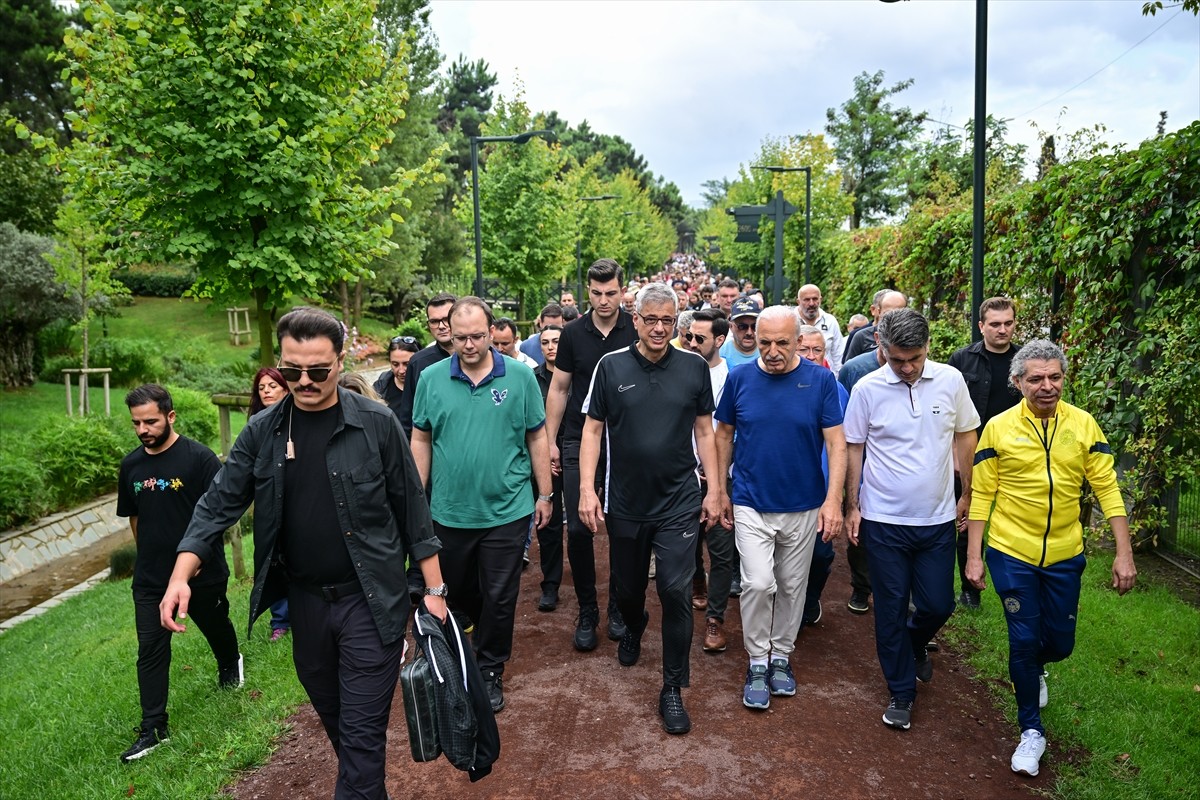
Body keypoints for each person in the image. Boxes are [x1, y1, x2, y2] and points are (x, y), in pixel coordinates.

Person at [159, 307, 447, 800]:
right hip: (306, 606)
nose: (305, 381)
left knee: (360, 737)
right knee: (342, 728)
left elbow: (413, 511)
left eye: (319, 370)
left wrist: (435, 591)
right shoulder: (262, 432)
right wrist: (181, 573)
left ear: (341, 360)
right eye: (292, 371)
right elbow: (217, 504)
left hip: (370, 603)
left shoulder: (377, 425)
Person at [966, 339, 1136, 778]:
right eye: (1036, 379)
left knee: (1059, 642)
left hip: (1065, 554)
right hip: (1011, 552)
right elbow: (982, 495)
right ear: (1018, 382)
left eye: (1055, 377)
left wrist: (1123, 552)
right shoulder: (998, 429)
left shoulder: (1083, 425)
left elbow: (1107, 489)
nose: (1047, 386)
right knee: (1022, 639)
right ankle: (1031, 732)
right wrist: (974, 558)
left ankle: (1039, 665)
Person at [578, 282, 726, 735]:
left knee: (676, 590)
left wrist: (715, 489)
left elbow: (706, 431)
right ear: (635, 320)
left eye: (668, 320)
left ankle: (672, 689)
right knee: (627, 590)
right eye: (651, 319)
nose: (660, 328)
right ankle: (635, 620)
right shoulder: (611, 366)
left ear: (676, 323)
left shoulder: (694, 368)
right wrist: (587, 489)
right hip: (625, 502)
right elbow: (591, 432)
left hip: (679, 500)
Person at [411, 297, 552, 713]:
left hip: (508, 509)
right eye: (460, 338)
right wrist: (415, 500)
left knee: (500, 594)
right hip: (449, 512)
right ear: (448, 336)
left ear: (492, 332)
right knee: (457, 592)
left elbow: (537, 437)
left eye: (476, 336)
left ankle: (490, 668)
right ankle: (463, 645)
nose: (469, 345)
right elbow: (420, 438)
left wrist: (544, 493)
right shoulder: (431, 378)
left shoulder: (521, 378)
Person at [843, 308, 979, 731]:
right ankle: (901, 691)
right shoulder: (867, 388)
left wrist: (968, 492)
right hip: (883, 521)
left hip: (936, 519)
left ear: (928, 348)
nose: (906, 367)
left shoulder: (951, 381)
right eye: (898, 359)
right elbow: (854, 448)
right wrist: (853, 505)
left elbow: (966, 434)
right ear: (881, 347)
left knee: (938, 603)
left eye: (915, 359)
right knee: (889, 608)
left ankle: (915, 642)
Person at [716, 309, 846, 710]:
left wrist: (833, 500)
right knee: (757, 583)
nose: (772, 351)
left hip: (804, 504)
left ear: (797, 339)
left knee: (792, 586)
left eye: (782, 343)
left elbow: (836, 444)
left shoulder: (821, 380)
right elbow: (723, 434)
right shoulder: (739, 378)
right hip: (751, 500)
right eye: (764, 342)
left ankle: (780, 657)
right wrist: (720, 490)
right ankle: (757, 660)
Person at [116, 384, 242, 763]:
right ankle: (154, 728)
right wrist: (148, 558)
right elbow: (134, 516)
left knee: (214, 624)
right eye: (136, 423)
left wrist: (197, 557)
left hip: (201, 572)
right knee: (151, 650)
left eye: (150, 421)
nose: (143, 429)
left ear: (170, 417)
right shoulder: (131, 465)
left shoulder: (199, 459)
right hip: (152, 578)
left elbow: (221, 513)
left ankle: (229, 663)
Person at [544, 258, 638, 651]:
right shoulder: (571, 333)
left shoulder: (634, 328)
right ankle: (588, 610)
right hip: (577, 438)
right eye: (597, 293)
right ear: (588, 291)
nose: (603, 300)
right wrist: (550, 438)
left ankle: (617, 606)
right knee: (579, 529)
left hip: (623, 439)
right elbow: (559, 388)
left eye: (611, 293)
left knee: (621, 526)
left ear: (622, 290)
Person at [947, 297, 1022, 609]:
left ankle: (1017, 585)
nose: (1002, 330)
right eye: (994, 324)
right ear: (981, 326)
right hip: (968, 454)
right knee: (965, 519)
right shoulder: (961, 360)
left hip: (1013, 455)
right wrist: (952, 452)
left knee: (1014, 520)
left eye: (1007, 323)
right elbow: (946, 410)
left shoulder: (1025, 361)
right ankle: (969, 589)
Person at [680, 309, 736, 652]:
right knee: (687, 545)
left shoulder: (734, 377)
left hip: (722, 477)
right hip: (683, 475)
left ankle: (715, 618)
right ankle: (696, 581)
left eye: (700, 338)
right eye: (689, 336)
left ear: (720, 340)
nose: (691, 342)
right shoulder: (679, 370)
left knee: (722, 548)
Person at [796, 325, 851, 629]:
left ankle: (811, 596)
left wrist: (839, 493)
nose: (812, 356)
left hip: (823, 487)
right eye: (805, 349)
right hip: (791, 485)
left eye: (818, 350)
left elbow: (843, 443)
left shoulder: (835, 388)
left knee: (820, 554)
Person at [251, 368, 293, 642]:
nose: (266, 390)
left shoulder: (298, 420)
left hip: (297, 499)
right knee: (272, 558)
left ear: (285, 388)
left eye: (272, 385)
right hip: (268, 502)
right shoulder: (255, 425)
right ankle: (280, 620)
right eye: (261, 387)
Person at [533, 324, 566, 611]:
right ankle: (551, 583)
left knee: (583, 525)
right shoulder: (532, 379)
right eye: (545, 342)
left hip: (577, 454)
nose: (551, 346)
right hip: (545, 457)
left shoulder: (577, 377)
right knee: (549, 523)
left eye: (556, 341)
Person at [397, 292, 457, 438]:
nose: (441, 326)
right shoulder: (418, 362)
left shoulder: (476, 357)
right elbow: (407, 416)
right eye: (434, 321)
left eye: (446, 319)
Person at [796, 284, 846, 376]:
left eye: (815, 299)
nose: (811, 303)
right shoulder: (790, 321)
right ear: (798, 301)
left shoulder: (830, 321)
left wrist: (836, 381)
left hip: (825, 378)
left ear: (820, 300)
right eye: (807, 300)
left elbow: (838, 355)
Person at [844, 289, 906, 362]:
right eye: (888, 313)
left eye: (899, 313)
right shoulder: (861, 336)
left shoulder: (914, 335)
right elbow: (850, 368)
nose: (893, 318)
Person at [372, 335, 419, 417]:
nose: (401, 371)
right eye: (395, 364)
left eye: (406, 364)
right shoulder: (381, 387)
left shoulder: (428, 385)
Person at [719, 296, 762, 369]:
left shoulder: (767, 352)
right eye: (742, 327)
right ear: (731, 326)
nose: (749, 333)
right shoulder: (720, 354)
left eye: (754, 326)